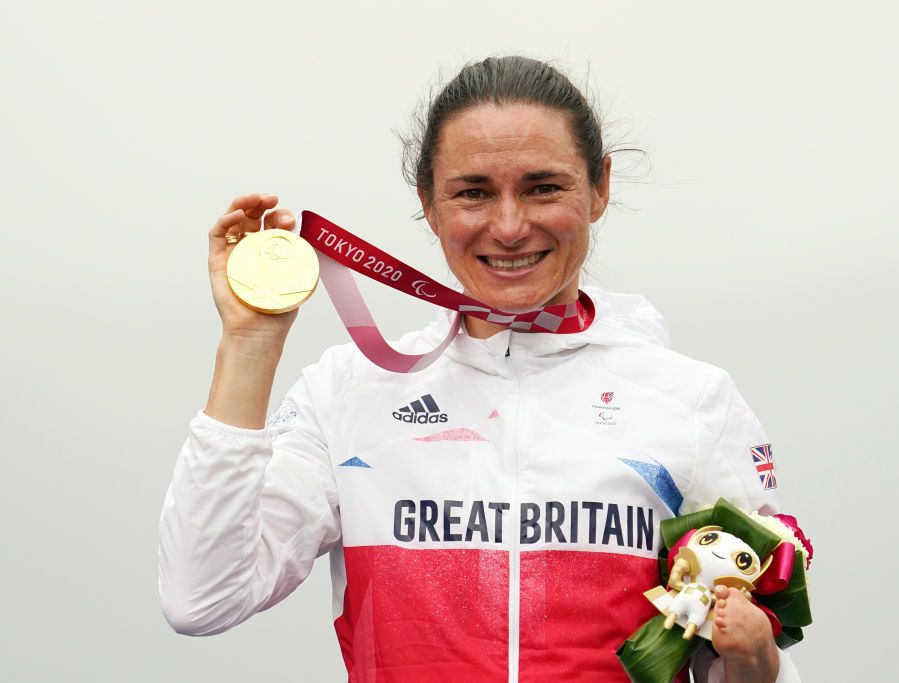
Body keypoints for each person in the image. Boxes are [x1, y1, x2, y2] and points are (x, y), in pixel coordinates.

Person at [159, 55, 801, 682]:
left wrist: (755, 663)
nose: (511, 225)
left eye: (543, 187)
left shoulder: (690, 401)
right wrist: (250, 343)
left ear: (600, 187)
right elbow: (203, 599)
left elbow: (741, 658)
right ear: (430, 204)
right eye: (473, 193)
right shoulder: (348, 393)